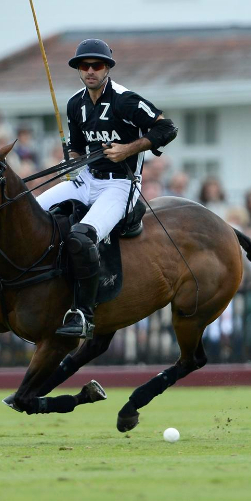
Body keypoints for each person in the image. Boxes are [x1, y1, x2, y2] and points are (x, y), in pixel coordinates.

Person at [34, 39, 177, 337]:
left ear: (107, 68)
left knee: (82, 237)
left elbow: (167, 128)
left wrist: (128, 149)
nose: (90, 71)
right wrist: (71, 162)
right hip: (86, 179)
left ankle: (83, 314)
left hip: (121, 185)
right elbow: (76, 147)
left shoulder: (126, 100)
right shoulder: (76, 103)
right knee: (30, 212)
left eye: (96, 65)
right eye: (83, 66)